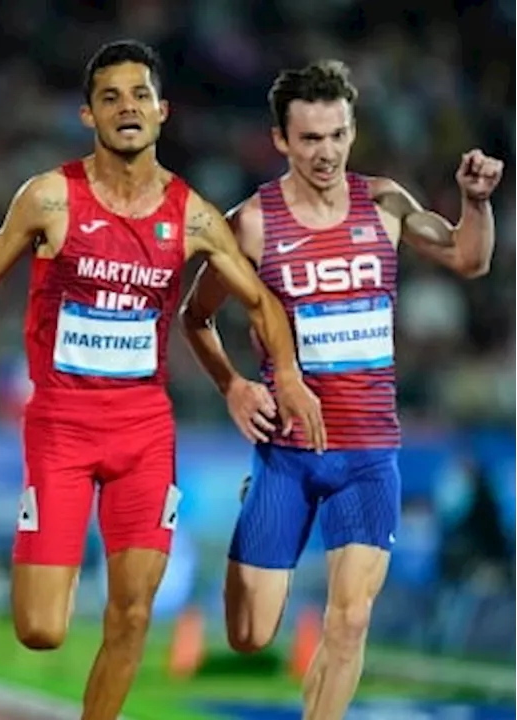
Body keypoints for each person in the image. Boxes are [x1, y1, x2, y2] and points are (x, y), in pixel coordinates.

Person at [0, 40, 325, 720]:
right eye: (110, 97)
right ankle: (54, 568)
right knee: (40, 628)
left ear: (161, 111)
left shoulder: (190, 215)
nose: (126, 107)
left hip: (144, 432)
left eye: (138, 96)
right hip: (62, 429)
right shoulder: (48, 197)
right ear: (88, 114)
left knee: (131, 615)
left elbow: (261, 301)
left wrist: (275, 380)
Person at [178, 59, 503, 720]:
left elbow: (470, 259)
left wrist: (475, 203)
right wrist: (235, 386)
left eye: (337, 135)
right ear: (280, 141)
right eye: (310, 139)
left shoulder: (383, 202)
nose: (326, 153)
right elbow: (195, 316)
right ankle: (254, 508)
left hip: (368, 453)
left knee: (349, 621)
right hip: (287, 456)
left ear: (352, 130)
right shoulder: (251, 224)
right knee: (251, 634)